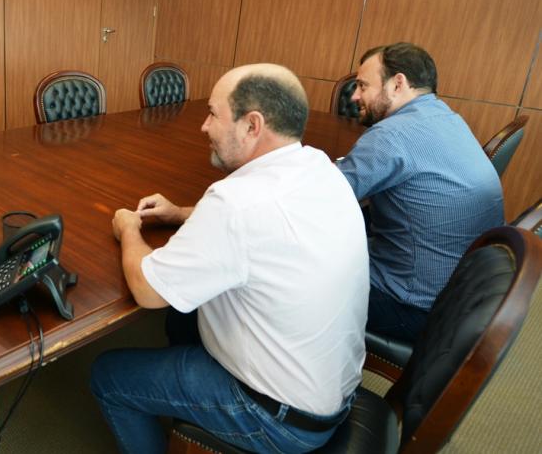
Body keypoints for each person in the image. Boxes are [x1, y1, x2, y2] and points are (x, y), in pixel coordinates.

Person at [91, 64, 369, 453]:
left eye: (213, 114)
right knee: (184, 315)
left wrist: (128, 230)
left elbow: (147, 290)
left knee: (108, 376)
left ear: (252, 125)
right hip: (330, 390)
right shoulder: (320, 168)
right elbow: (263, 226)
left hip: (279, 419)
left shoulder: (236, 204)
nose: (204, 126)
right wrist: (180, 213)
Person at [337, 43, 504, 341]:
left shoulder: (391, 135)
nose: (354, 95)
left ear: (398, 83)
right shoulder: (448, 118)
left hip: (409, 305)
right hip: (458, 296)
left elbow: (324, 196)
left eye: (362, 85)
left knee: (291, 271)